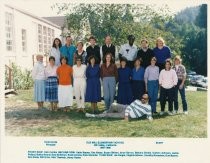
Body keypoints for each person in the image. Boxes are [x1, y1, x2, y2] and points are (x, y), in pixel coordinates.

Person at [85, 94, 153, 121]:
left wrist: (150, 119)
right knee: (113, 104)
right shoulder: (137, 101)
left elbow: (149, 116)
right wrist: (126, 116)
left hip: (129, 114)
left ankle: (92, 115)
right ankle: (108, 111)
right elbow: (129, 107)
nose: (142, 99)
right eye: (142, 98)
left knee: (108, 115)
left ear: (147, 100)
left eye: (144, 98)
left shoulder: (148, 107)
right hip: (126, 108)